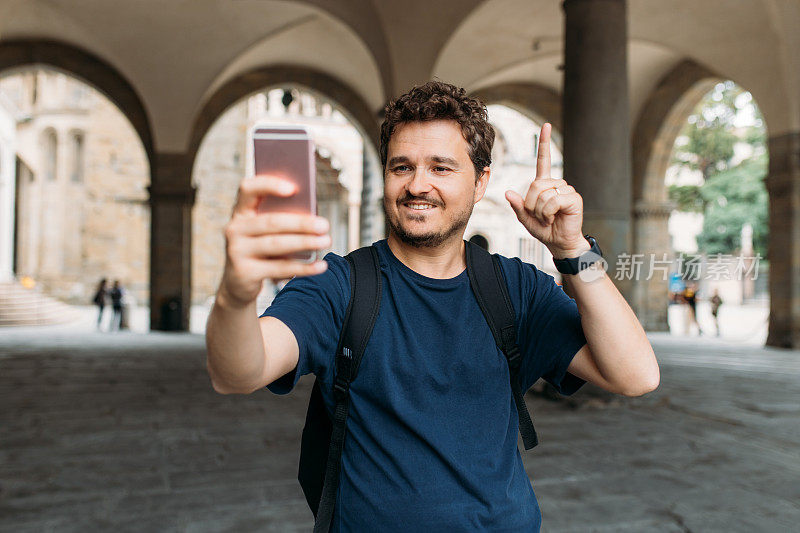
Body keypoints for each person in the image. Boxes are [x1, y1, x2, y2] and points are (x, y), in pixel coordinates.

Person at [205, 81, 660, 531]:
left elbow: (635, 375)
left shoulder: (516, 288)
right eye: (401, 167)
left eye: (441, 168)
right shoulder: (338, 286)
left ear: (481, 181)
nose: (417, 185)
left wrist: (574, 249)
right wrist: (236, 295)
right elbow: (240, 371)